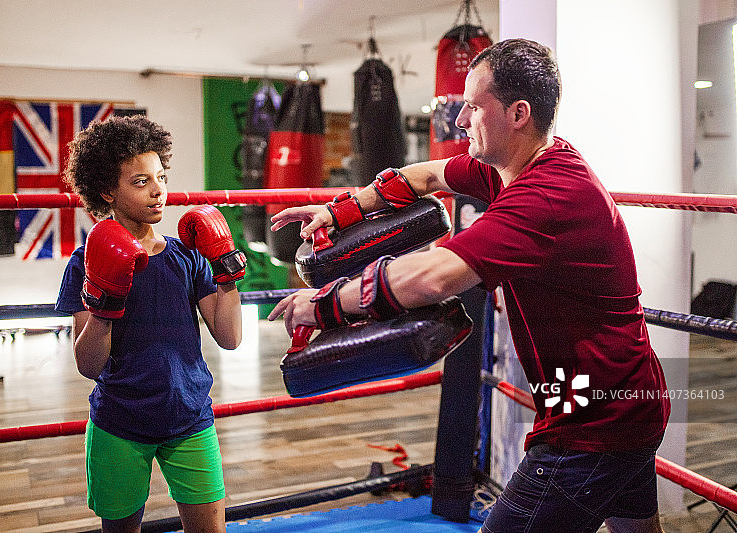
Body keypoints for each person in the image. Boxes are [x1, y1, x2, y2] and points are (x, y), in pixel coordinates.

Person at [268, 38, 670, 533]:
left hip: (593, 423)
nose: (458, 121)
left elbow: (431, 277)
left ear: (518, 113)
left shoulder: (548, 194)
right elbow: (424, 175)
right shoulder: (513, 167)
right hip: (627, 400)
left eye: (473, 107)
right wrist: (342, 209)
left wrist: (326, 305)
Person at [56, 116, 244, 533]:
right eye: (140, 181)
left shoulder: (187, 255)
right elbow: (88, 365)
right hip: (120, 423)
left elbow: (229, 338)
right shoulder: (84, 261)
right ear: (108, 191)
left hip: (190, 418)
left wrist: (227, 271)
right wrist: (105, 302)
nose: (158, 189)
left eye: (161, 176)